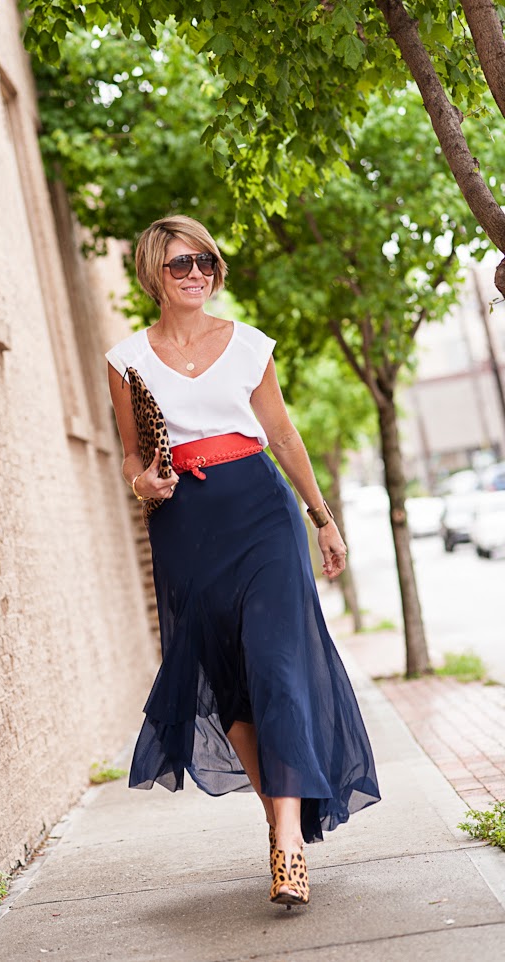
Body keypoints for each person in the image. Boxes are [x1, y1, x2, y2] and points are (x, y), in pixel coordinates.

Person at [105, 215, 380, 908]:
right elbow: (131, 453)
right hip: (186, 525)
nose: (196, 274)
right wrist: (142, 483)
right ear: (154, 274)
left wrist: (323, 519)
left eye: (205, 262)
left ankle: (288, 846)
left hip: (262, 514)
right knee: (227, 681)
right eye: (181, 264)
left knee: (276, 665)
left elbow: (282, 435)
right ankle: (276, 817)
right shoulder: (126, 359)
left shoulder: (250, 344)